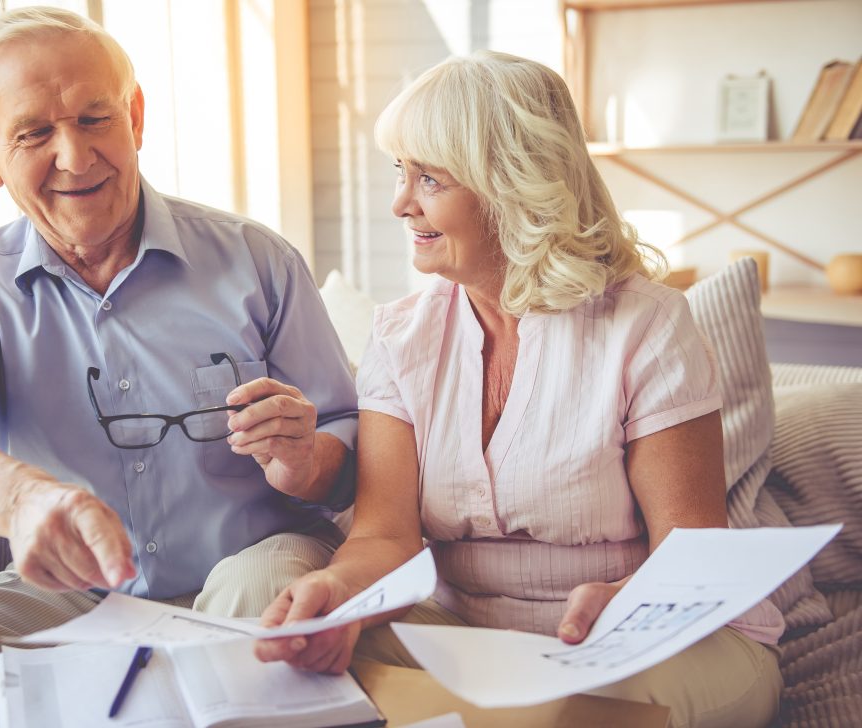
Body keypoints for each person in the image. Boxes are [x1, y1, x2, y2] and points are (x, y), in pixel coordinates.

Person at [0, 7, 357, 727]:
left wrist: (308, 459)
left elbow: (348, 450)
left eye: (97, 119)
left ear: (136, 115)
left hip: (253, 560)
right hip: (74, 596)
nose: (75, 156)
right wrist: (23, 501)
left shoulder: (258, 260)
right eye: (34, 133)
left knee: (253, 605)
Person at [255, 51, 783, 727]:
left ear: (513, 185)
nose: (400, 202)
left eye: (430, 178)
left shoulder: (645, 325)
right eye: (400, 171)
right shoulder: (400, 336)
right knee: (297, 647)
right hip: (466, 634)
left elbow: (690, 558)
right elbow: (383, 537)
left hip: (647, 636)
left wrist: (621, 599)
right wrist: (335, 589)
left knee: (576, 715)